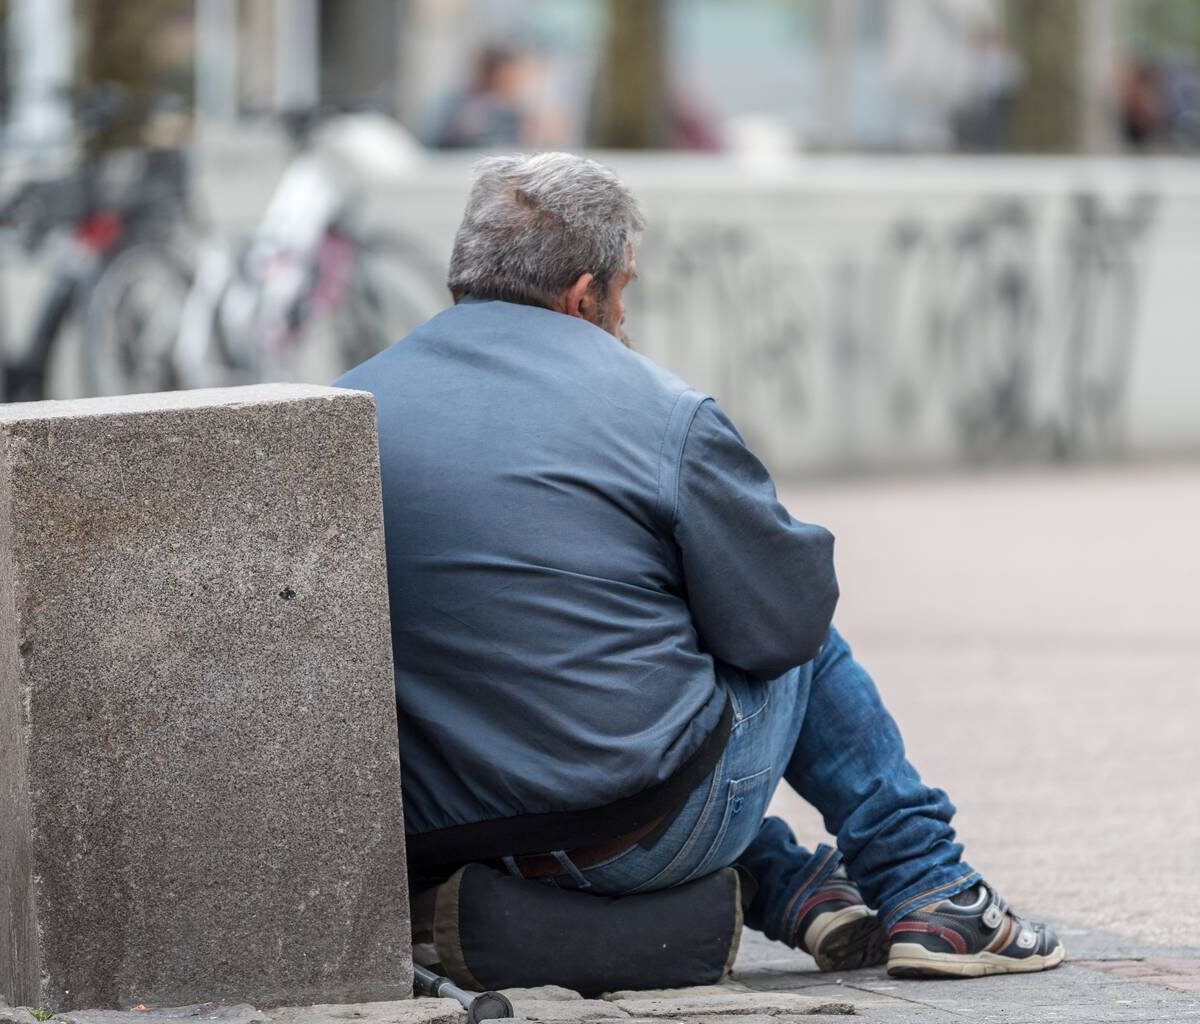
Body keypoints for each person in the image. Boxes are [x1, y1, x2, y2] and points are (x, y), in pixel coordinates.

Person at [334, 153, 1064, 980]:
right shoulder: (657, 412)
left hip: (444, 836)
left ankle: (799, 889)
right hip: (626, 835)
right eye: (626, 290)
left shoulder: (350, 407)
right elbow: (787, 618)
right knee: (796, 640)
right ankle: (932, 888)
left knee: (639, 683)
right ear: (584, 294)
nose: (625, 315)